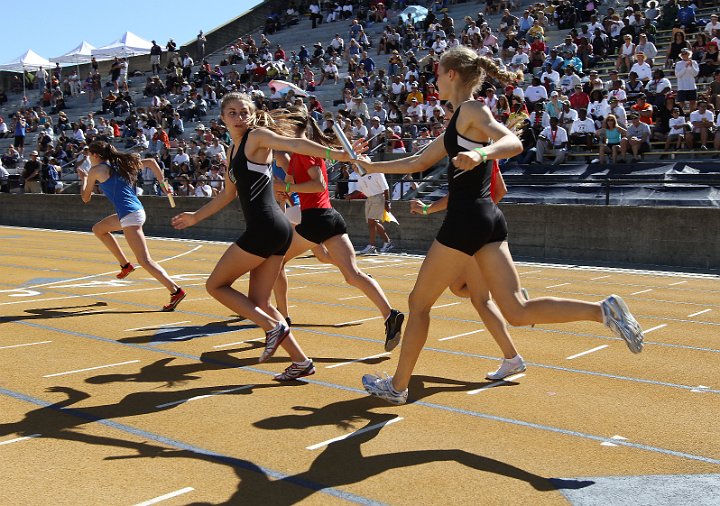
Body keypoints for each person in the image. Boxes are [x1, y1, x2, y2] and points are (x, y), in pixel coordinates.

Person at [356, 46, 645, 405]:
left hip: (466, 220)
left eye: (437, 73)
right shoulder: (458, 119)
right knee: (516, 311)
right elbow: (417, 161)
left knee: (419, 304)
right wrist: (372, 166)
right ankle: (603, 310)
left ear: (452, 75)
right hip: (487, 219)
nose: (433, 80)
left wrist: (479, 154)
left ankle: (397, 387)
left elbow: (512, 141)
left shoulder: (473, 110)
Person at [170, 92, 361, 380]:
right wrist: (195, 217)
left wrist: (336, 154)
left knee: (216, 285)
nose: (239, 117)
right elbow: (227, 195)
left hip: (266, 226)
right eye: (232, 112)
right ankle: (300, 361)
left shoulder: (257, 137)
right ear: (222, 117)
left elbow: (294, 143)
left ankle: (274, 327)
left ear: (252, 114)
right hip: (276, 227)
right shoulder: (233, 152)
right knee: (260, 303)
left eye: (244, 111)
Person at [270, 107, 405, 352]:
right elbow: (293, 186)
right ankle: (390, 315)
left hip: (316, 219)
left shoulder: (305, 152)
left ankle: (283, 319)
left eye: (283, 129)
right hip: (330, 217)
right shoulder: (298, 154)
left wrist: (288, 186)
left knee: (275, 261)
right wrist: (284, 187)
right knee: (352, 275)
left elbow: (317, 185)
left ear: (294, 130)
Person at [76, 141, 186, 311]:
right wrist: (163, 184)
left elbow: (85, 198)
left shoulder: (96, 170)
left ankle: (175, 290)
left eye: (89, 155)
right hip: (133, 212)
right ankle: (125, 265)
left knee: (145, 260)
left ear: (96, 155)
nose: (89, 158)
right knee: (99, 229)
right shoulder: (120, 164)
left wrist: (83, 179)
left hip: (130, 216)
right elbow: (151, 163)